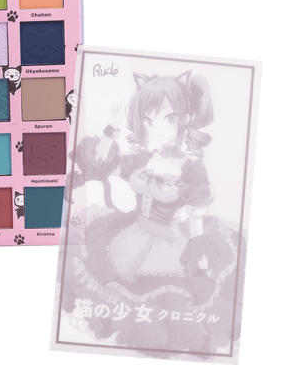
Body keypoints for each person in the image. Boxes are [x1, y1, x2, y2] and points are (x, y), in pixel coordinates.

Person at [69, 70, 236, 310]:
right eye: (148, 121)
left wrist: (199, 254)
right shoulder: (144, 159)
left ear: (186, 117)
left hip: (168, 243)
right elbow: (100, 165)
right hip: (133, 234)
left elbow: (196, 217)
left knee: (160, 301)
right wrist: (112, 128)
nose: (157, 130)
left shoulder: (191, 167)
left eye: (169, 118)